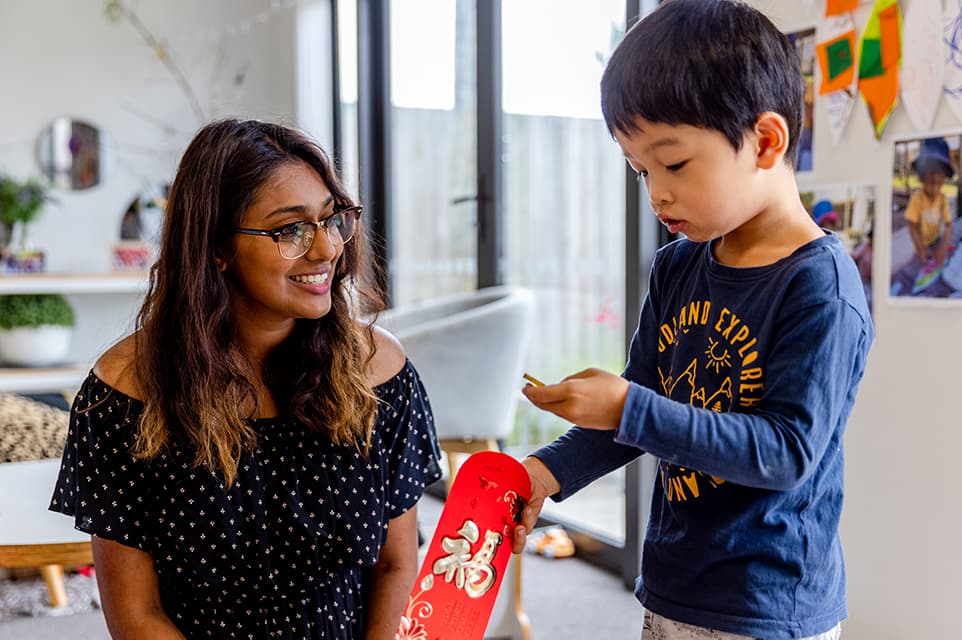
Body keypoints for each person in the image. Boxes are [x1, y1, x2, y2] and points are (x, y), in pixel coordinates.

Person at [513, 2, 874, 639]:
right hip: (675, 585)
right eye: (640, 169)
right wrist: (545, 472)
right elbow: (640, 409)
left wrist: (629, 407)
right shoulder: (677, 267)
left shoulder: (819, 284)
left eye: (673, 164)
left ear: (765, 141)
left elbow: (787, 452)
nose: (656, 192)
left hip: (769, 606)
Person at [49, 118, 442, 639]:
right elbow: (136, 617)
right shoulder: (125, 393)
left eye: (332, 219)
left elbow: (396, 565)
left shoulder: (377, 371)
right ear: (215, 246)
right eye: (291, 230)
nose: (326, 249)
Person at [905, 137, 955, 268]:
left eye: (939, 183)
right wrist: (921, 250)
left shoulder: (943, 199)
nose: (935, 189)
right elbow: (912, 227)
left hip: (936, 242)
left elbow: (949, 225)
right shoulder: (917, 198)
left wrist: (943, 247)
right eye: (930, 183)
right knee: (918, 268)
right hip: (920, 244)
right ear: (922, 178)